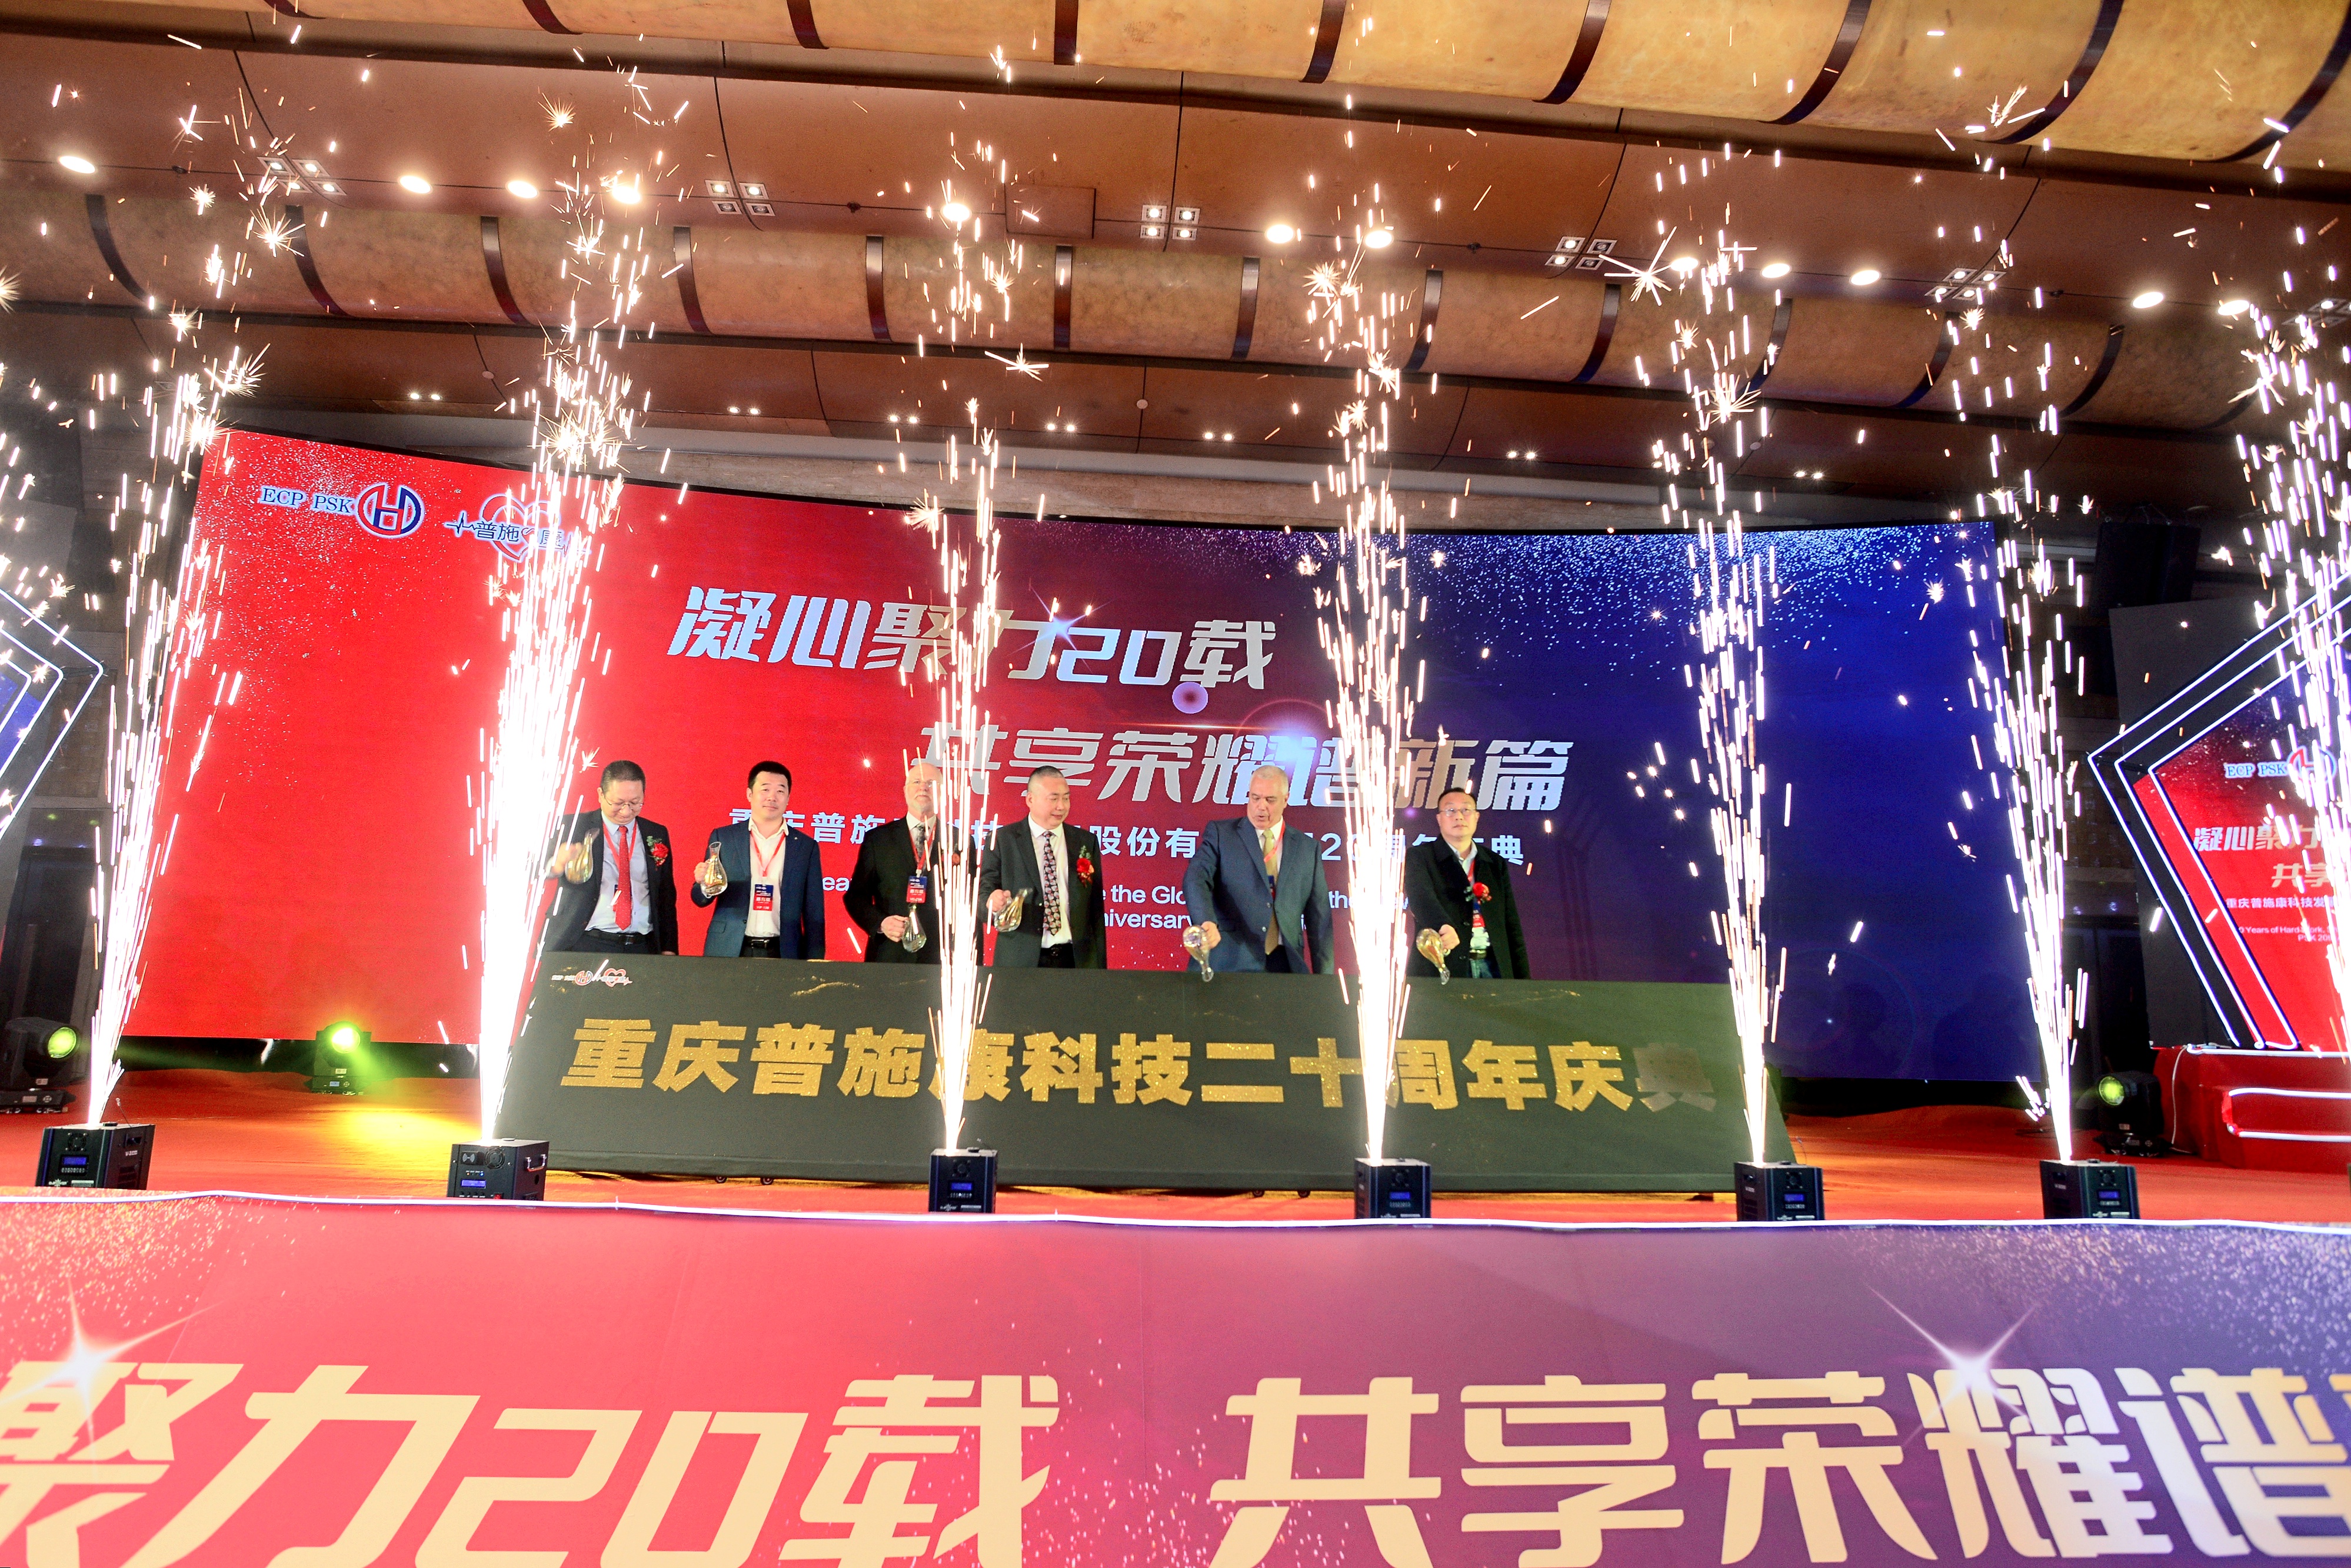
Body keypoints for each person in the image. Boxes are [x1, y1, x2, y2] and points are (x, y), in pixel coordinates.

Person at [1183, 763, 1332, 974]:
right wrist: (1206, 921)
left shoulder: (1307, 849)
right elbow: (1196, 878)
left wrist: (1325, 981)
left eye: (1270, 800)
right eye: (1255, 798)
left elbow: (1320, 919)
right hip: (1230, 963)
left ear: (1286, 800)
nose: (1261, 807)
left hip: (1286, 965)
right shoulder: (1221, 835)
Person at [692, 761, 825, 959]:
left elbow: (814, 911)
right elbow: (700, 899)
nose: (772, 797)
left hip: (783, 952)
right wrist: (703, 884)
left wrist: (816, 959)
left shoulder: (806, 847)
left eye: (780, 791)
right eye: (765, 789)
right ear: (749, 794)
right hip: (729, 948)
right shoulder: (725, 838)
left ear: (788, 798)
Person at [545, 760, 679, 955]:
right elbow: (532, 868)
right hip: (585, 943)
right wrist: (556, 864)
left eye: (635, 803)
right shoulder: (573, 827)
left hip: (642, 946)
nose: (626, 811)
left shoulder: (656, 833)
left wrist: (668, 947)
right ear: (601, 795)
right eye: (618, 803)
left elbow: (666, 895)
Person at [981, 766, 1106, 968]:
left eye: (1066, 798)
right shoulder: (1003, 840)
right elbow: (983, 894)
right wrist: (992, 902)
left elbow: (1095, 910)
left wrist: (1098, 967)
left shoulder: (1084, 842)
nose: (1062, 806)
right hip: (1021, 961)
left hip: (1075, 960)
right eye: (1054, 799)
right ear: (1030, 800)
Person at [1405, 787, 1531, 980]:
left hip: (1494, 967)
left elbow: (1511, 924)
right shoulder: (1421, 856)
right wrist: (1443, 925)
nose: (1459, 816)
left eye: (1466, 810)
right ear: (1439, 819)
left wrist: (1524, 981)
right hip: (1445, 963)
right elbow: (1421, 898)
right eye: (1450, 810)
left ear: (1477, 817)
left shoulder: (1494, 863)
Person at [844, 760, 952, 965]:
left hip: (942, 959)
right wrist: (881, 923)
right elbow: (856, 897)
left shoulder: (959, 841)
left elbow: (971, 905)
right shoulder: (878, 839)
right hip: (889, 956)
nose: (923, 787)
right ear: (905, 791)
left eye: (931, 783)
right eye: (917, 782)